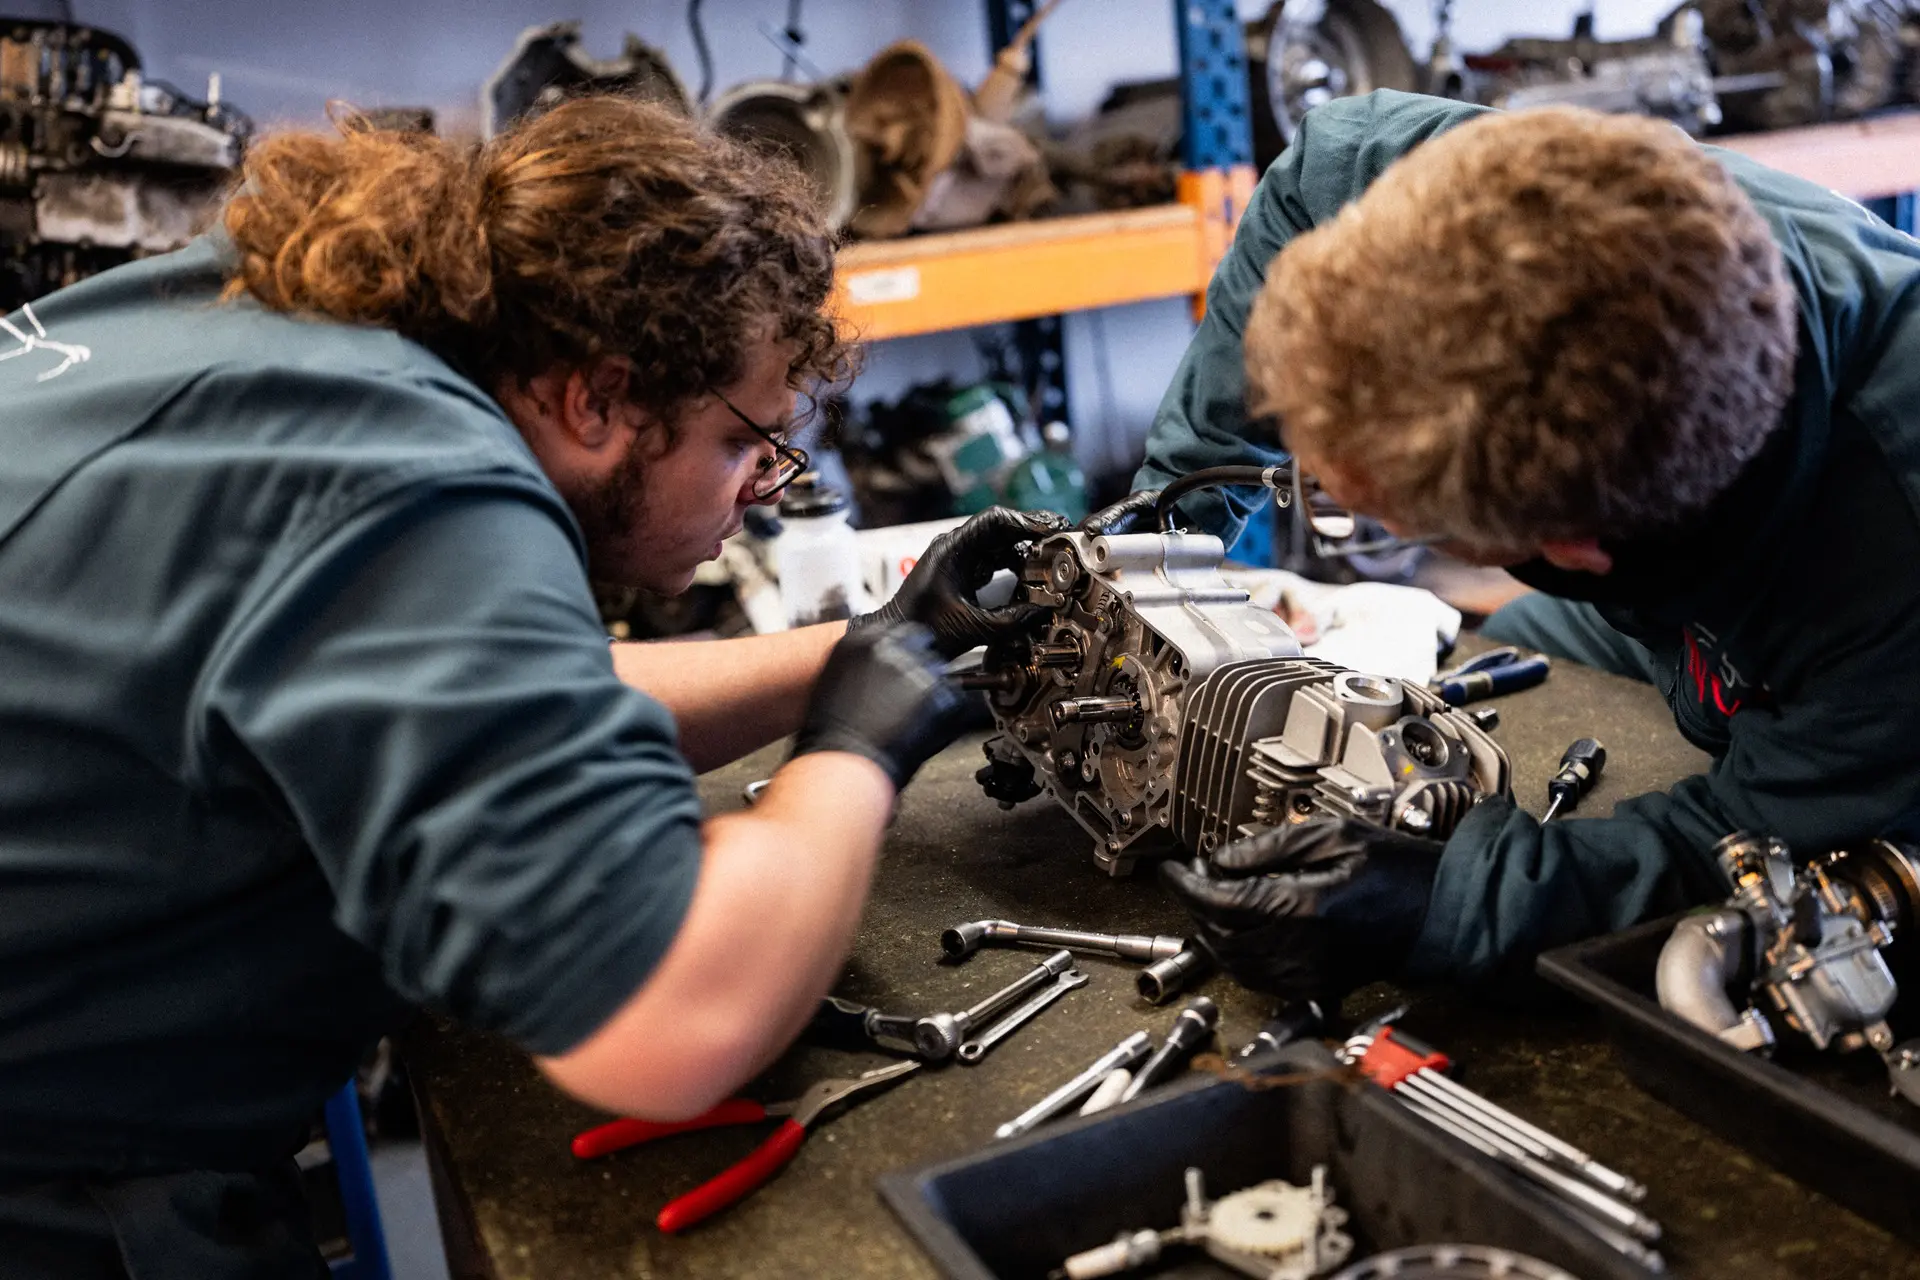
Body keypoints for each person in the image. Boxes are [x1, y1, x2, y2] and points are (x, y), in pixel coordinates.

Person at [0, 96, 1061, 1277]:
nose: (762, 486)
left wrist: (858, 651)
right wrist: (855, 755)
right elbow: (667, 1013)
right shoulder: (410, 476)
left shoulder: (264, 315)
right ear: (597, 397)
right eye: (742, 440)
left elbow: (490, 693)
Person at [1093, 89, 1920, 1003]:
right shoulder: (1516, 199)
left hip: (1850, 673)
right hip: (1680, 580)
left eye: (1352, 509)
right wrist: (1150, 557)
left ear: (1568, 547)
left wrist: (1452, 902)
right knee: (1504, 649)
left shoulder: (1890, 583)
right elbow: (1327, 163)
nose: (1324, 500)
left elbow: (1754, 843)